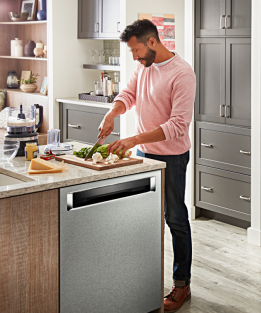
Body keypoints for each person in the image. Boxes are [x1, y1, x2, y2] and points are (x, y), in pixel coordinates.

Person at [98, 19, 195, 313]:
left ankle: (182, 284)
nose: (135, 58)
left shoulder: (182, 73)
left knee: (175, 219)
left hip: (172, 157)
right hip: (145, 156)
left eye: (137, 51)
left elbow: (178, 126)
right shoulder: (143, 67)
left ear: (152, 42)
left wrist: (132, 139)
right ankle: (143, 281)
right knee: (143, 219)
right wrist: (112, 113)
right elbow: (128, 95)